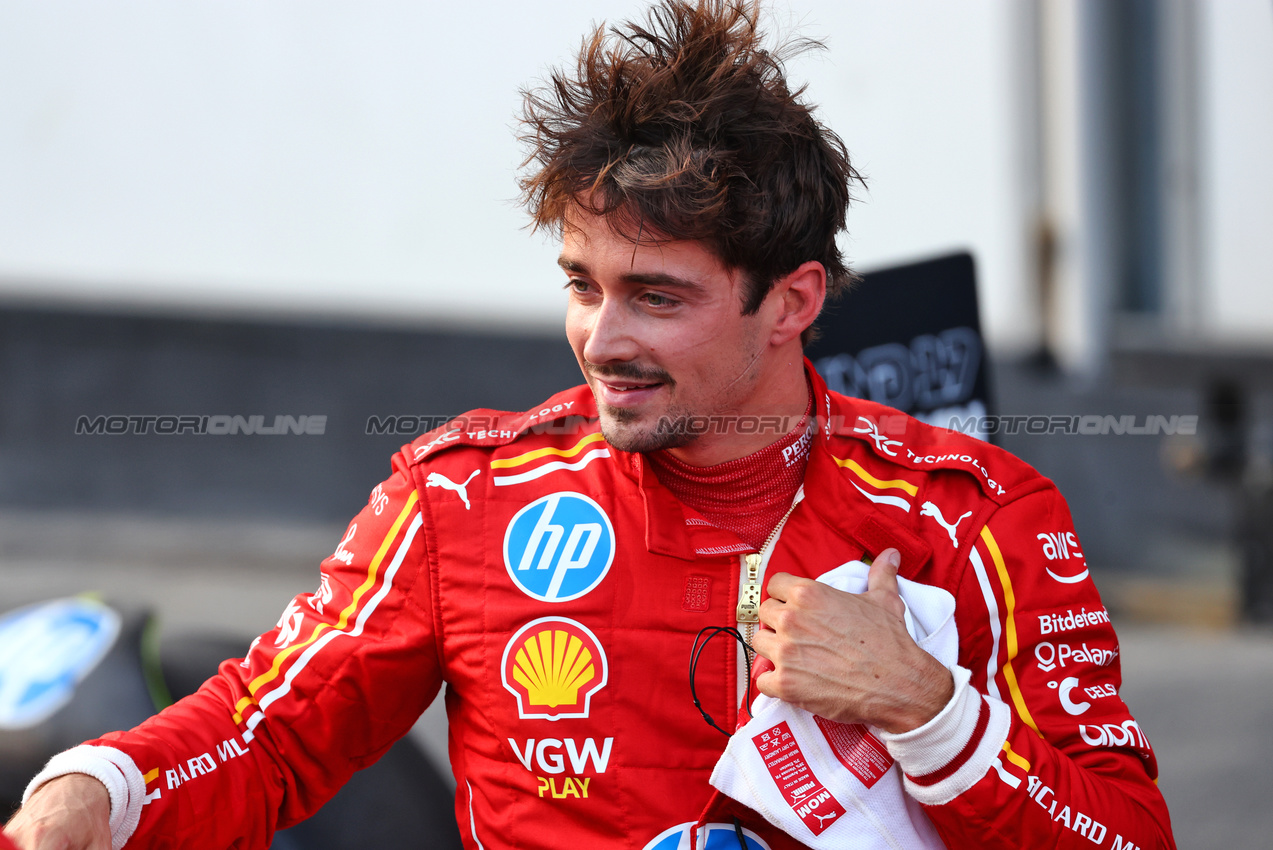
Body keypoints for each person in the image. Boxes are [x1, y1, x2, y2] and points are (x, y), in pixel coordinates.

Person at [6, 1, 1175, 848]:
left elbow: (1127, 837)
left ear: (794, 302)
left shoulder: (976, 517)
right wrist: (98, 789)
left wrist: (932, 714)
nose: (601, 337)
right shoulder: (462, 496)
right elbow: (267, 730)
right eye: (581, 283)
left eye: (656, 296)